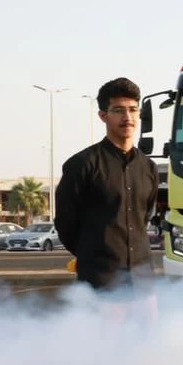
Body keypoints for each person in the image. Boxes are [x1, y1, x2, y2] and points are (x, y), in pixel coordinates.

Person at [55, 77, 160, 297]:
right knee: (107, 333)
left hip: (143, 280)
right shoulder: (82, 164)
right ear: (103, 115)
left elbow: (143, 218)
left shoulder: (148, 167)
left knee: (148, 332)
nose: (127, 117)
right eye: (119, 110)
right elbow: (66, 223)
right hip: (101, 281)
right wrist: (94, 255)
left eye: (133, 110)